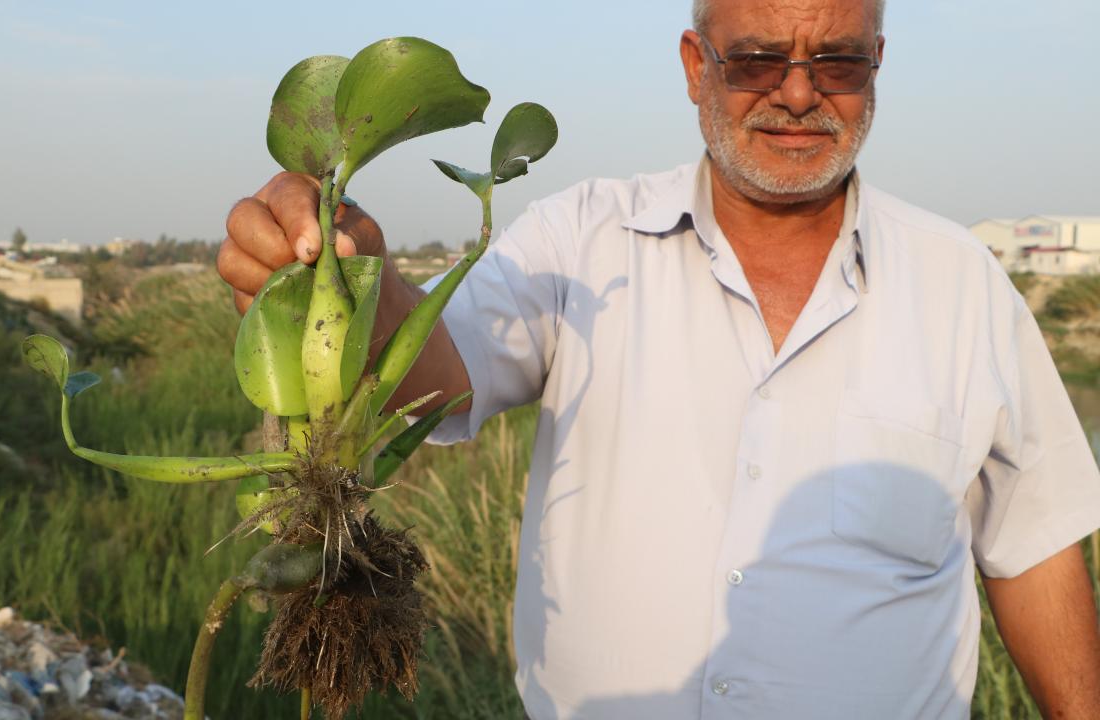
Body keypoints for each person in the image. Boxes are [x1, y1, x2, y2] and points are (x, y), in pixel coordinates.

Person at [217, 0, 1100, 716]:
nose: (799, 93)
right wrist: (350, 276)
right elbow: (441, 377)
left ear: (876, 65)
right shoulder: (580, 239)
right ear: (694, 65)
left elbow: (1034, 547)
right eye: (755, 60)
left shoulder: (962, 283)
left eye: (837, 62)